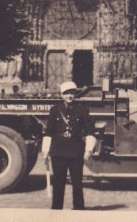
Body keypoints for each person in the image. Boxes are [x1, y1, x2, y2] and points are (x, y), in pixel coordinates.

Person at [41, 80, 96, 210]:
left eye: (72, 93)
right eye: (66, 93)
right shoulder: (55, 110)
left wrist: (88, 150)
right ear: (61, 95)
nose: (69, 96)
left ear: (75, 94)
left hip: (76, 151)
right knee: (58, 182)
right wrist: (45, 150)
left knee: (77, 183)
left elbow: (89, 130)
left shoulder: (82, 110)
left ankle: (78, 209)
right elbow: (49, 131)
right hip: (58, 151)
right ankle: (56, 209)